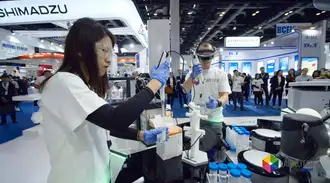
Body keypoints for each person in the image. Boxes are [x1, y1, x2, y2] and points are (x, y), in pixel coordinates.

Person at [36, 18, 169, 183]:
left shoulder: (84, 86)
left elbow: (102, 125)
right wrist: (154, 84)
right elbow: (115, 119)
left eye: (110, 52)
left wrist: (139, 135)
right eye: (103, 50)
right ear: (80, 50)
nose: (108, 58)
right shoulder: (63, 83)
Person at [182, 41, 231, 162]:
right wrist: (192, 76)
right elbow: (185, 89)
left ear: (212, 55)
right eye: (202, 54)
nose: (205, 58)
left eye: (208, 54)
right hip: (196, 119)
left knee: (213, 153)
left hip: (214, 119)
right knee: (195, 152)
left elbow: (225, 95)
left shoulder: (220, 73)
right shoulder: (192, 73)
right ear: (198, 56)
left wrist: (218, 102)